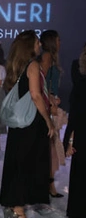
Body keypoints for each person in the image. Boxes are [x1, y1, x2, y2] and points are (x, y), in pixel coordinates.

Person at [0, 30, 55, 218]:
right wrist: (48, 120)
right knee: (27, 164)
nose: (40, 45)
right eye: (37, 42)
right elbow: (35, 95)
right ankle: (18, 208)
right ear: (30, 46)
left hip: (19, 122)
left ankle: (13, 203)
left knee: (17, 162)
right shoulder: (33, 65)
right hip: (31, 121)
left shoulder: (16, 65)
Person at [39, 29, 66, 198]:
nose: (60, 42)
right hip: (48, 109)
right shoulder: (46, 58)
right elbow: (41, 85)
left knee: (51, 149)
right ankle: (47, 185)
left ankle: (49, 184)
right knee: (50, 149)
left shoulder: (51, 59)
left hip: (51, 105)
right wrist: (51, 100)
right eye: (58, 40)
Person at [64, 43, 86, 218]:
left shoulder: (81, 81)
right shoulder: (79, 76)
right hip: (81, 130)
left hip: (81, 130)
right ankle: (78, 214)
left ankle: (80, 215)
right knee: (80, 171)